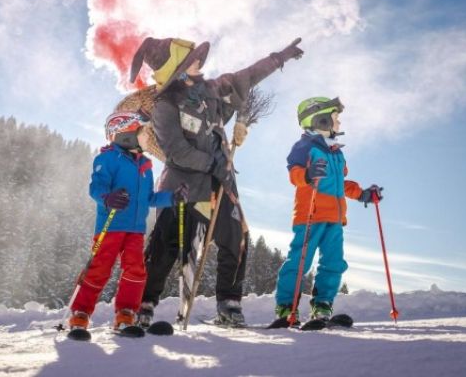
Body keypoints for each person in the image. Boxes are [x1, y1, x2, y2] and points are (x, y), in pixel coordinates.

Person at [129, 36, 304, 327]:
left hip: (220, 184)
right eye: (191, 59)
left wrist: (278, 58)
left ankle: (228, 304)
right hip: (182, 186)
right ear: (179, 69)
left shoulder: (212, 90)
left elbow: (247, 76)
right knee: (168, 245)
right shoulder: (164, 105)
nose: (199, 60)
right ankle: (144, 304)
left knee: (237, 238)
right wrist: (212, 163)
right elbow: (176, 151)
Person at [67, 111, 188, 336]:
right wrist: (108, 198)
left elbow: (150, 198)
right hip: (111, 225)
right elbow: (96, 187)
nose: (147, 138)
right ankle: (80, 313)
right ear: (126, 135)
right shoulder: (107, 159)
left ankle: (126, 313)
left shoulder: (145, 166)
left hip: (135, 230)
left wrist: (172, 197)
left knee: (136, 270)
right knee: (99, 268)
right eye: (142, 133)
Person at [273, 97, 384, 325]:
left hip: (335, 219)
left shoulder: (336, 152)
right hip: (310, 216)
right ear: (321, 120)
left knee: (334, 263)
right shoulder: (304, 147)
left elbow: (340, 184)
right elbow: (294, 175)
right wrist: (307, 173)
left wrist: (363, 194)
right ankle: (286, 308)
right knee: (300, 261)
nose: (339, 123)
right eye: (335, 118)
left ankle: (322, 306)